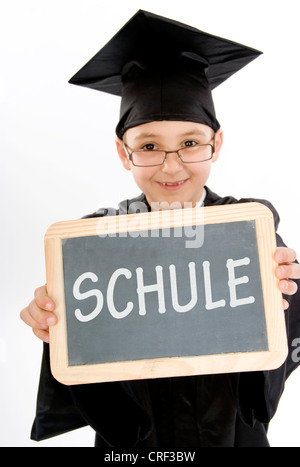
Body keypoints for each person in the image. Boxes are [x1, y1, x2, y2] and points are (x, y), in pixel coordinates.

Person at [20, 10, 300, 447]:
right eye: (149, 146)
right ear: (123, 151)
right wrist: (54, 320)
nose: (172, 165)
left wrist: (288, 289)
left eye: (190, 143)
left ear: (216, 144)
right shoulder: (96, 241)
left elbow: (274, 348)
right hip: (137, 440)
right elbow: (85, 349)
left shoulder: (250, 230)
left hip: (230, 435)